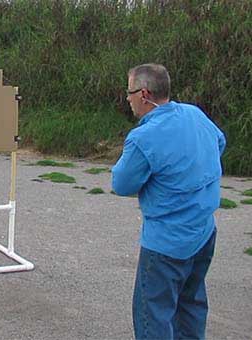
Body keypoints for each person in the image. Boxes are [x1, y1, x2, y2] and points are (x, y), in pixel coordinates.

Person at [112, 63, 226, 339]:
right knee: (191, 305)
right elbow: (219, 142)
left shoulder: (143, 137)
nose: (127, 99)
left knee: (153, 315)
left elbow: (122, 183)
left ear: (144, 94)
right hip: (203, 233)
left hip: (166, 244)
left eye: (129, 93)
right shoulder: (194, 114)